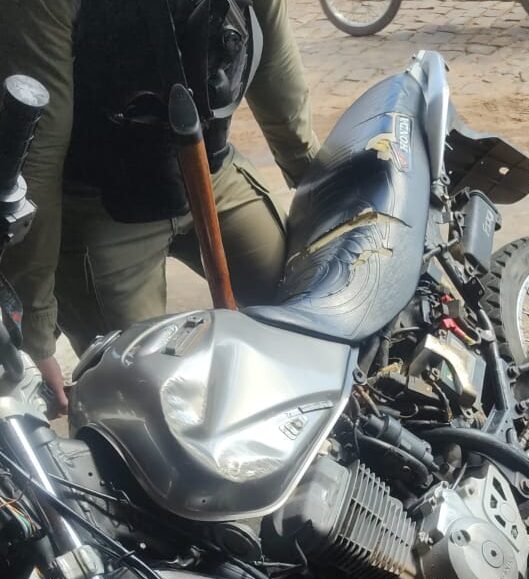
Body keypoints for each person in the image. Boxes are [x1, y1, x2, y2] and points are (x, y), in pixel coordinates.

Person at [0, 0, 319, 413]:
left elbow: (274, 58)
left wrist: (319, 182)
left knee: (314, 303)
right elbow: (40, 153)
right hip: (102, 207)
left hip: (211, 170)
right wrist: (35, 331)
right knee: (141, 406)